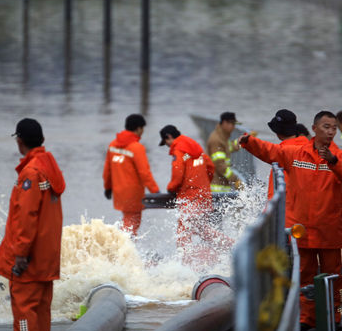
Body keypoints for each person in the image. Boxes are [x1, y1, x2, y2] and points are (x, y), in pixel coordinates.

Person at [239, 111, 342, 331]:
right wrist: (248, 141)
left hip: (328, 228)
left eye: (333, 128)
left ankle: (335, 317)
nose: (330, 131)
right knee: (304, 275)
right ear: (314, 129)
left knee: (334, 276)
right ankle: (307, 318)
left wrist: (331, 160)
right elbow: (270, 151)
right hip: (302, 228)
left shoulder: (339, 155)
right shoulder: (295, 153)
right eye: (326, 127)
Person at [0, 118, 65, 331]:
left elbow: (26, 217)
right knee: (41, 312)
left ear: (20, 141)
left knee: (24, 313)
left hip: (30, 258)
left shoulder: (31, 173)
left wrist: (20, 254)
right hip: (46, 257)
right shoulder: (49, 166)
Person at [159, 125, 230, 261]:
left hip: (190, 198)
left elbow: (178, 174)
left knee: (183, 234)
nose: (168, 146)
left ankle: (185, 264)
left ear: (168, 137)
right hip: (203, 196)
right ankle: (233, 248)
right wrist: (203, 185)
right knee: (204, 230)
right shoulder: (195, 149)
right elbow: (210, 167)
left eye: (166, 143)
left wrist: (171, 188)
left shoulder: (180, 150)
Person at [102, 114, 159, 235]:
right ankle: (123, 250)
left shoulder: (112, 145)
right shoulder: (137, 148)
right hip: (133, 194)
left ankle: (124, 248)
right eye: (142, 128)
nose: (143, 132)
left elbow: (107, 169)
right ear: (138, 128)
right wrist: (155, 191)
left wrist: (107, 187)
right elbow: (144, 173)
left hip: (119, 192)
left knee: (128, 222)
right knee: (132, 225)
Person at [265, 110, 309, 231]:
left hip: (287, 222)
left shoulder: (282, 154)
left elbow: (274, 194)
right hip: (311, 220)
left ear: (278, 133)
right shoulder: (310, 149)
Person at [207, 111, 244, 192]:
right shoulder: (216, 139)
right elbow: (219, 164)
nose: (234, 127)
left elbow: (228, 148)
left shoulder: (222, 137)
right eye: (232, 124)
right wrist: (235, 180)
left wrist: (243, 141)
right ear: (224, 123)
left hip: (222, 184)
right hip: (217, 187)